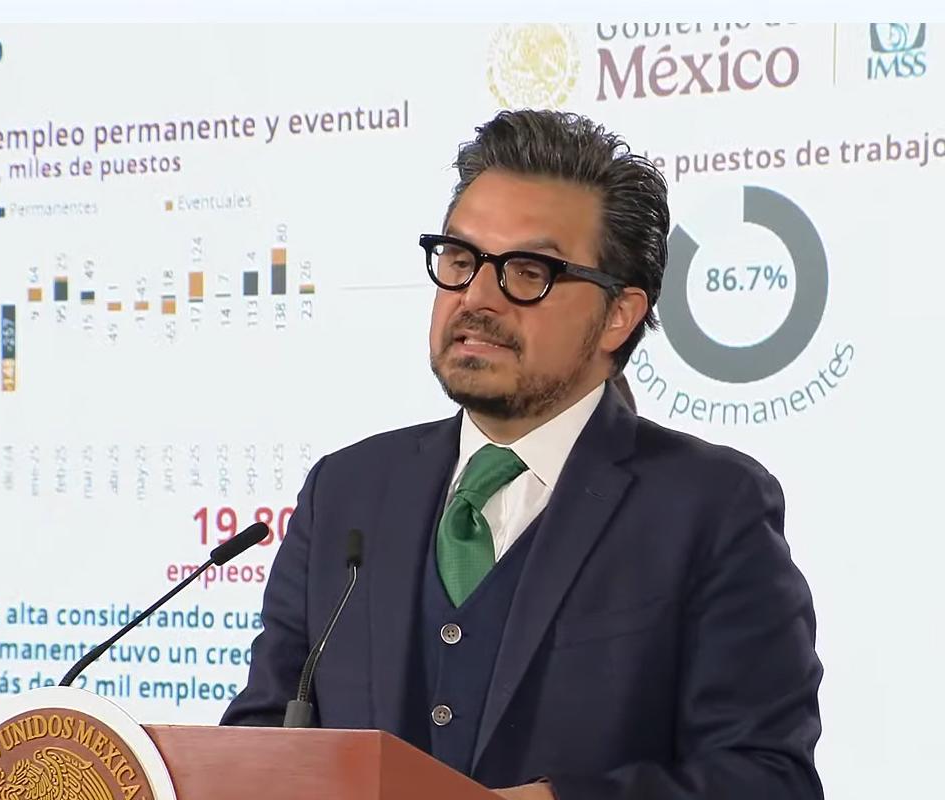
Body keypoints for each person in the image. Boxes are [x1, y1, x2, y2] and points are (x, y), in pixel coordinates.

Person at [222, 110, 823, 799]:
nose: (477, 298)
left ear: (618, 315)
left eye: (528, 271)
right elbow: (262, 739)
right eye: (460, 260)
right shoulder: (347, 490)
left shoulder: (710, 507)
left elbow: (766, 777)